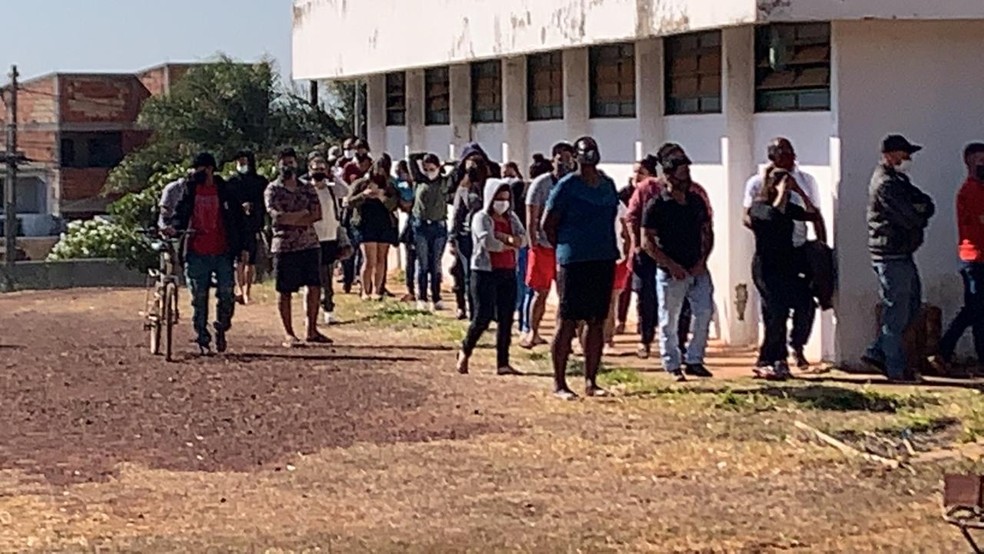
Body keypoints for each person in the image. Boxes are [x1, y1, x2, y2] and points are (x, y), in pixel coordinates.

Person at [543, 137, 619, 400]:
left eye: (593, 150)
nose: (590, 155)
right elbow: (548, 224)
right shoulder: (566, 187)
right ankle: (560, 384)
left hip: (603, 258)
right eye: (584, 151)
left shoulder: (607, 184)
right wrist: (567, 248)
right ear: (576, 155)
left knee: (597, 320)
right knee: (567, 321)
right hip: (574, 261)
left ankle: (591, 381)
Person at [743, 138, 825, 369]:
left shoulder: (790, 205)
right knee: (776, 313)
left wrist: (798, 191)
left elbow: (813, 215)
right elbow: (773, 217)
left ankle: (792, 348)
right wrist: (780, 192)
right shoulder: (760, 208)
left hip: (788, 263)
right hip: (766, 267)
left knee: (805, 303)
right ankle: (770, 359)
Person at [626, 146, 713, 360]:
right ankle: (663, 354)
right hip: (659, 262)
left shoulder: (696, 197)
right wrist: (637, 247)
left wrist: (702, 260)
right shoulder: (652, 197)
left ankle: (691, 356)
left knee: (700, 312)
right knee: (657, 307)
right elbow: (634, 220)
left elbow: (707, 229)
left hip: (695, 266)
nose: (687, 178)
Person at [863, 135, 935, 383]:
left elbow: (927, 203)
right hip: (890, 253)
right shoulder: (886, 184)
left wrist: (920, 211)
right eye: (905, 154)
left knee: (911, 306)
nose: (908, 159)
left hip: (902, 252)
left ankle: (877, 351)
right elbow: (910, 217)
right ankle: (895, 368)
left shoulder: (898, 180)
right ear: (891, 154)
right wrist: (919, 214)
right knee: (897, 311)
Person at [165, 152, 244, 355]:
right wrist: (174, 228)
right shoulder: (190, 191)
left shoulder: (225, 190)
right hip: (196, 252)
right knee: (199, 298)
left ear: (209, 169)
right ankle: (202, 336)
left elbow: (238, 220)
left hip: (223, 252)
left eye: (200, 169)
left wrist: (242, 246)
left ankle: (221, 326)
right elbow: (180, 214)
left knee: (227, 294)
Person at [456, 178, 528, 375]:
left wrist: (506, 238)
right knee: (483, 316)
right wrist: (508, 240)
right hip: (484, 272)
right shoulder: (480, 218)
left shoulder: (511, 218)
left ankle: (503, 363)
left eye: (506, 198)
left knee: (506, 318)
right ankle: (465, 350)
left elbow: (524, 240)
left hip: (508, 271)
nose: (503, 203)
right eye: (499, 198)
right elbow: (488, 243)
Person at [265, 148, 331, 347]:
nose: (288, 166)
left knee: (314, 286)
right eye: (284, 162)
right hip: (284, 246)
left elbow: (317, 213)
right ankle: (289, 333)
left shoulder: (306, 188)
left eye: (291, 162)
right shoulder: (272, 189)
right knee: (285, 290)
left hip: (309, 244)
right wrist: (301, 216)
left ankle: (311, 330)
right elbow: (277, 216)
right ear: (278, 165)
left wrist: (291, 218)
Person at [520, 142, 576, 349]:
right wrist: (533, 243)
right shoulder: (540, 184)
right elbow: (531, 216)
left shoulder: (574, 183)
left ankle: (563, 339)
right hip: (543, 247)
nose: (565, 163)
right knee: (540, 292)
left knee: (565, 296)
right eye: (561, 159)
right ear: (553, 160)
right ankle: (532, 332)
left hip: (566, 248)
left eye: (569, 159)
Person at [936, 143, 984, 372]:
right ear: (969, 163)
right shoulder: (971, 190)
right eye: (979, 161)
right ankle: (944, 350)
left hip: (978, 257)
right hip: (974, 257)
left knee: (977, 310)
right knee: (974, 309)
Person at [308, 154, 353, 325]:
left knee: (326, 277)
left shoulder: (332, 188)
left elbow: (346, 191)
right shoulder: (305, 189)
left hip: (329, 237)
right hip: (310, 238)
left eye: (322, 169)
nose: (318, 173)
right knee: (312, 278)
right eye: (315, 169)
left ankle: (328, 308)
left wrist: (332, 176)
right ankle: (311, 311)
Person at [346, 158, 399, 300]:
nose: (381, 172)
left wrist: (382, 197)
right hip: (365, 224)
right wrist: (364, 195)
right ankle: (365, 290)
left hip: (384, 224)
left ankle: (377, 290)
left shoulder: (389, 186)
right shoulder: (360, 183)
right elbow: (348, 202)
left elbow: (394, 205)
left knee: (381, 259)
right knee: (370, 260)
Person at [449, 144, 489, 319]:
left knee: (485, 275)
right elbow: (458, 213)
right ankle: (471, 310)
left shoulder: (489, 185)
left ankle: (485, 309)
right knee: (467, 274)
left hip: (486, 236)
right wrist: (453, 237)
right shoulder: (463, 187)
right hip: (466, 236)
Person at [408, 153, 452, 311]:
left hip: (439, 227)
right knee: (423, 264)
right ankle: (422, 297)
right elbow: (412, 158)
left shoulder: (444, 182)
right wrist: (423, 156)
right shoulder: (420, 180)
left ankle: (436, 297)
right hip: (421, 226)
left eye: (432, 168)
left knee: (435, 265)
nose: (429, 172)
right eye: (426, 169)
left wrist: (447, 162)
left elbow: (459, 170)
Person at [228, 150, 268, 305]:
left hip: (253, 225)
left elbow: (265, 203)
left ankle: (248, 291)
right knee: (238, 259)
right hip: (236, 225)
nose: (241, 164)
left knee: (250, 259)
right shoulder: (232, 182)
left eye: (244, 161)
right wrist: (239, 207)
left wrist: (254, 208)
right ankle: (239, 288)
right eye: (239, 162)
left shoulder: (260, 182)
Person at [503, 162, 530, 333]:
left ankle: (522, 322)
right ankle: (523, 323)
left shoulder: (511, 212)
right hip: (524, 246)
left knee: (521, 285)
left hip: (521, 246)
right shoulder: (526, 191)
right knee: (525, 287)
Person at [604, 197, 632, 353]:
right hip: (593, 257)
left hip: (615, 257)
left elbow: (626, 228)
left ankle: (608, 339)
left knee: (611, 299)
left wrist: (627, 252)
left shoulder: (617, 203)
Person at [394, 159, 418, 303]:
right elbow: (405, 204)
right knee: (410, 259)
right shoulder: (401, 186)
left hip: (418, 223)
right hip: (410, 225)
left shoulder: (419, 184)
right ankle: (410, 289)